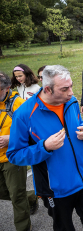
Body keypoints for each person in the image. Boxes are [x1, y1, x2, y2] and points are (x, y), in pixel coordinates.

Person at [7, 65, 83, 231]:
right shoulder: (24, 115)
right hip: (56, 189)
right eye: (64, 89)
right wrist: (44, 147)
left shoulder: (70, 101)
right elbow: (14, 155)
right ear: (48, 89)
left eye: (71, 86)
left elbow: (78, 127)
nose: (71, 92)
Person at [0, 72, 38, 231]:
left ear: (7, 88)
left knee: (17, 196)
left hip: (12, 157)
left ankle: (23, 228)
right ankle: (31, 196)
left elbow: (33, 130)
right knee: (5, 192)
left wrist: (11, 138)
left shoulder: (19, 104)